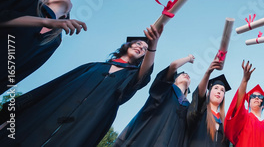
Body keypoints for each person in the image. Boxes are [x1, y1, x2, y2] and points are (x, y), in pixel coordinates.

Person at [0, 25, 162, 146]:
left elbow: (145, 73)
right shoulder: (92, 66)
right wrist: (14, 110)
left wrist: (152, 46)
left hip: (86, 123)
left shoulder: (131, 76)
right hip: (50, 110)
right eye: (138, 43)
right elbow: (54, 86)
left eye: (144, 48)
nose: (141, 46)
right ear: (127, 45)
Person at [0, 0, 86, 92]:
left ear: (65, 15)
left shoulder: (54, 42)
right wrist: (45, 22)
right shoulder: (28, 0)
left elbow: (21, 71)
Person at [114, 54, 195, 146]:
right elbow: (173, 66)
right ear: (174, 79)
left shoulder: (189, 106)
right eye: (182, 74)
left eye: (188, 76)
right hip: (147, 137)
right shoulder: (164, 90)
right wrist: (188, 58)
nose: (186, 75)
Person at [224, 61, 264, 147]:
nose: (256, 98)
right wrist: (245, 81)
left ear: (263, 104)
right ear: (248, 102)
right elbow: (238, 106)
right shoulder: (245, 117)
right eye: (253, 96)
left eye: (260, 97)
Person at [186, 62, 231, 147]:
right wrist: (208, 73)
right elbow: (199, 95)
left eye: (222, 90)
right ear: (208, 92)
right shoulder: (201, 111)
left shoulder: (224, 122)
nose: (219, 91)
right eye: (216, 88)